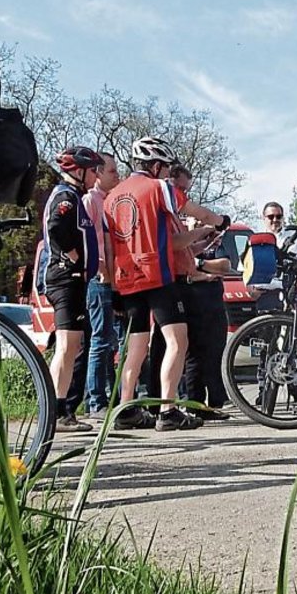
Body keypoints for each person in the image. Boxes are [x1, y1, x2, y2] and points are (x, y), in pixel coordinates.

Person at [103, 136, 230, 432]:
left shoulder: (112, 196)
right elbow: (195, 211)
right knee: (177, 340)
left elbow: (110, 246)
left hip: (126, 276)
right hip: (156, 274)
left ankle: (125, 409)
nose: (167, 173)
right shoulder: (159, 187)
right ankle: (168, 409)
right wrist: (220, 220)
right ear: (156, 165)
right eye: (165, 167)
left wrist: (111, 283)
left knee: (136, 345)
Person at [39, 145, 104, 433]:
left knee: (73, 345)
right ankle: (54, 411)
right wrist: (74, 256)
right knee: (66, 347)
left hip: (75, 280)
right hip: (65, 278)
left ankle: (62, 410)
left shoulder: (76, 196)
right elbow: (56, 227)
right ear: (78, 171)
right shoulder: (66, 197)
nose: (97, 176)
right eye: (94, 171)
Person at [171, 164, 233, 420]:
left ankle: (216, 403)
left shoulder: (213, 239)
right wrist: (200, 268)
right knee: (193, 353)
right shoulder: (178, 231)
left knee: (216, 350)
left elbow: (226, 265)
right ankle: (193, 404)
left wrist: (200, 264)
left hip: (213, 298)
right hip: (191, 295)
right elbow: (184, 265)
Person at [79, 155, 124, 417]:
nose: (116, 175)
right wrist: (101, 269)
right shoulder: (90, 200)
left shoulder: (109, 202)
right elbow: (88, 239)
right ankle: (95, 401)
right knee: (99, 339)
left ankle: (110, 396)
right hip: (98, 279)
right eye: (112, 171)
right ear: (97, 173)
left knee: (109, 340)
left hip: (111, 279)